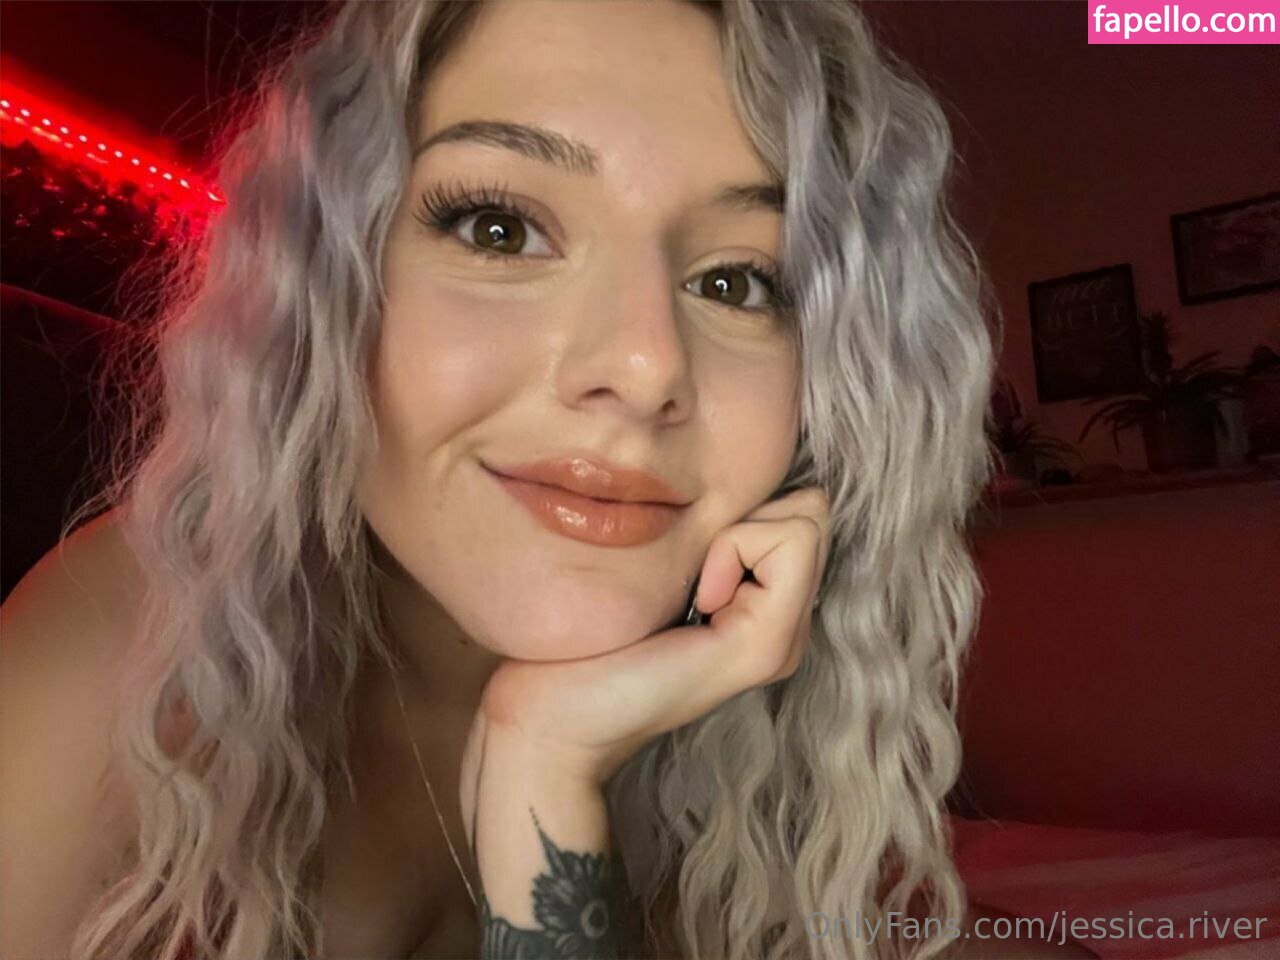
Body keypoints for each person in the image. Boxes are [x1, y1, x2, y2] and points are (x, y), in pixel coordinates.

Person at [0, 1, 1095, 958]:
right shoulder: (128, 650)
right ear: (327, 292)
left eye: (737, 281)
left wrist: (548, 763)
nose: (645, 366)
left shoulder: (729, 751)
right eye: (500, 228)